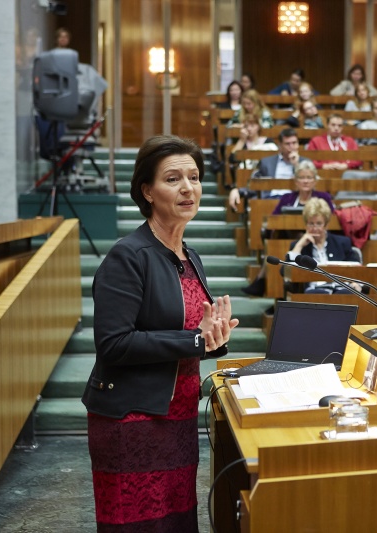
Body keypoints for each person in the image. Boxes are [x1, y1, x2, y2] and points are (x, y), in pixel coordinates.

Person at [82, 134, 239, 532]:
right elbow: (114, 344)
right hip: (132, 419)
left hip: (178, 416)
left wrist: (213, 338)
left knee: (177, 521)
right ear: (147, 191)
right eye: (173, 179)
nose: (188, 188)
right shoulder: (128, 256)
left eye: (194, 177)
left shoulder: (190, 257)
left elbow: (189, 334)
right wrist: (195, 341)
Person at [242, 164, 338, 297]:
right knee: (275, 245)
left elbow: (331, 219)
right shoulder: (287, 198)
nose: (305, 181)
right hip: (290, 240)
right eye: (302, 177)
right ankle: (273, 292)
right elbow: (273, 220)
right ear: (296, 180)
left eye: (309, 177)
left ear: (315, 180)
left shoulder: (324, 197)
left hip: (316, 240)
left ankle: (260, 280)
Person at [287, 198, 362, 293]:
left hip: (341, 288)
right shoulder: (299, 246)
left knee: (345, 293)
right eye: (311, 224)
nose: (315, 228)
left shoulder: (342, 243)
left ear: (326, 225)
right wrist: (299, 246)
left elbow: (356, 269)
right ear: (306, 225)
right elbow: (286, 273)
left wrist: (355, 283)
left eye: (319, 224)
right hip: (315, 290)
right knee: (317, 294)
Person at [228, 128, 310, 210]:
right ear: (280, 145)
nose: (291, 147)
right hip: (270, 200)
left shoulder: (306, 163)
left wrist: (296, 165)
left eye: (294, 143)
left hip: (296, 201)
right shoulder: (267, 162)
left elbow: (311, 185)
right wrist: (238, 191)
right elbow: (255, 184)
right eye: (287, 144)